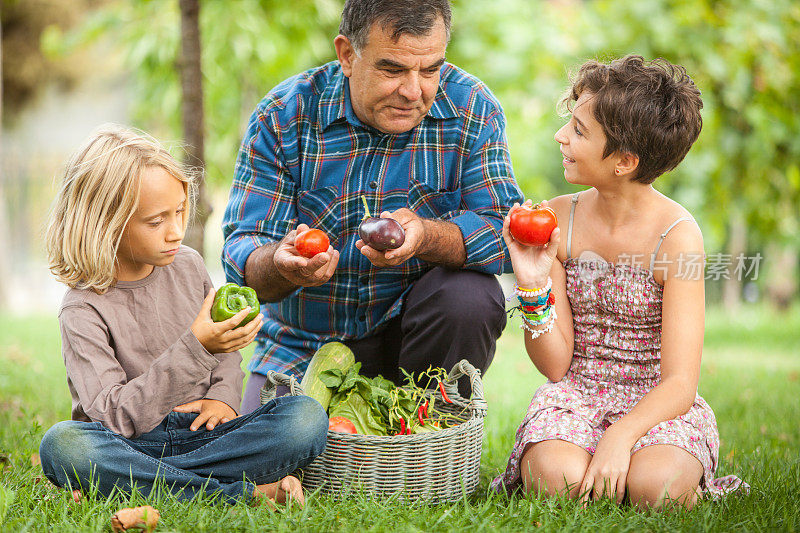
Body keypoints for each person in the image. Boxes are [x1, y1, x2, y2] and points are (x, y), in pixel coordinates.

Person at [222, 0, 524, 412]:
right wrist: (282, 262)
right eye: (393, 69)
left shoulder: (472, 108)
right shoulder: (284, 116)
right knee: (269, 457)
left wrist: (425, 236)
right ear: (347, 54)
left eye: (430, 69)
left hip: (416, 342)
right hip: (304, 345)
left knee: (471, 296)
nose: (414, 91)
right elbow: (241, 260)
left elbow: (507, 237)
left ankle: (429, 419)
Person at [492, 56, 746, 509]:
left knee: (659, 488)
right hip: (577, 393)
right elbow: (555, 366)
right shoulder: (559, 218)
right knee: (556, 479)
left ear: (625, 161)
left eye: (579, 131)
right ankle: (593, 465)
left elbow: (680, 383)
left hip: (657, 401)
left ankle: (639, 468)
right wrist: (533, 286)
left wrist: (620, 438)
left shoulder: (678, 238)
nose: (561, 137)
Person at [39, 125, 328, 506]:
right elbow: (112, 418)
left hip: (206, 434)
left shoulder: (188, 265)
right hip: (133, 442)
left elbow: (224, 346)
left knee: (305, 417)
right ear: (105, 223)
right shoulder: (83, 307)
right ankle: (241, 494)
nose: (176, 232)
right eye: (156, 221)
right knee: (65, 445)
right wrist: (197, 346)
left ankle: (139, 484)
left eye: (179, 212)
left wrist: (223, 398)